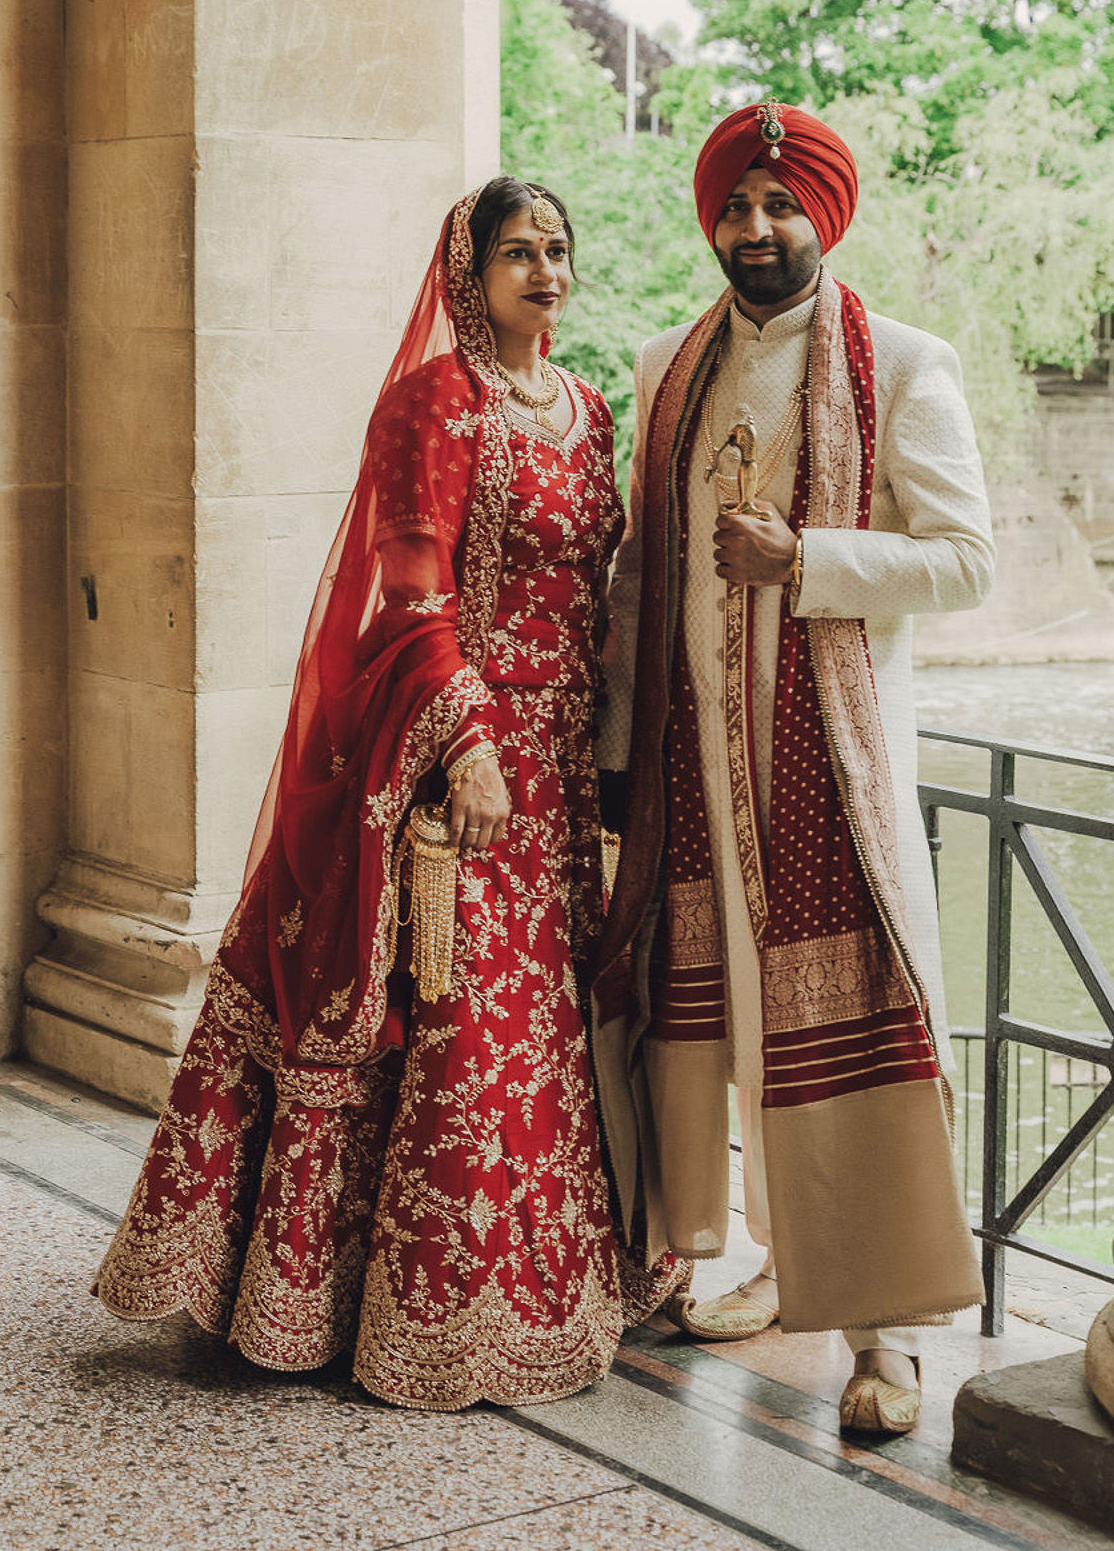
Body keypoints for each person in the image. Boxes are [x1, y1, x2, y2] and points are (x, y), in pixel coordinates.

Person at [96, 177, 682, 1410]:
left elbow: (603, 592)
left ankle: (552, 1280)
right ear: (467, 273)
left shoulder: (583, 408)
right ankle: (404, 1302)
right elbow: (408, 585)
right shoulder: (435, 400)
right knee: (459, 1015)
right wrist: (467, 740)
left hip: (565, 770)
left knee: (551, 1023)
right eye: (517, 251)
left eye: (559, 250)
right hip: (457, 768)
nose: (546, 271)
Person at [593, 101, 994, 1434]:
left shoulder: (908, 366)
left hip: (828, 776)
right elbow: (640, 576)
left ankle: (890, 1338)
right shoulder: (669, 366)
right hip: (693, 776)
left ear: (825, 216)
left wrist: (806, 563)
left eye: (780, 205)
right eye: (734, 205)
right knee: (732, 1031)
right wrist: (611, 752)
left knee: (852, 1031)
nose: (754, 229)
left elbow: (966, 563)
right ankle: (770, 1262)